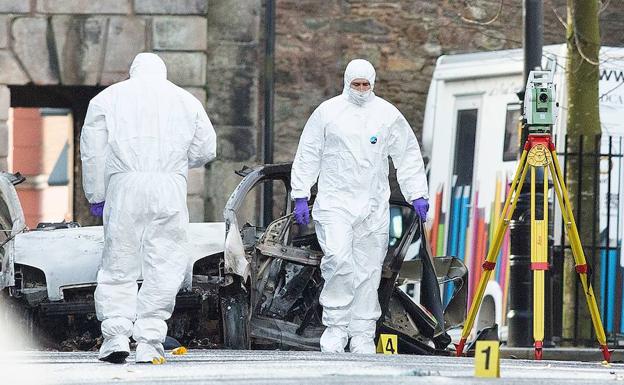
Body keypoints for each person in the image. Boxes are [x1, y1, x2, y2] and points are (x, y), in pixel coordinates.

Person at [81, 53, 217, 364]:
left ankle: (115, 335)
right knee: (165, 261)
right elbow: (206, 147)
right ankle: (150, 339)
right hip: (168, 185)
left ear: (132, 71)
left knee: (119, 259)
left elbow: (93, 151)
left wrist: (96, 194)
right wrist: (178, 162)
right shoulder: (185, 100)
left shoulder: (108, 98)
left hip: (125, 184)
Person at [290, 59, 429, 354]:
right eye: (357, 84)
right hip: (334, 203)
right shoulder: (328, 113)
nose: (362, 90)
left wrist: (417, 192)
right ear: (347, 82)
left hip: (372, 205)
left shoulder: (387, 115)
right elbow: (309, 152)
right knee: (339, 261)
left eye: (366, 85)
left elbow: (407, 154)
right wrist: (300, 193)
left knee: (368, 270)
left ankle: (363, 333)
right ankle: (336, 328)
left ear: (373, 84)